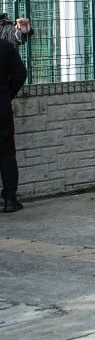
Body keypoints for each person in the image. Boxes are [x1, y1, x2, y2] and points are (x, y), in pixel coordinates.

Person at [0, 23, 28, 212]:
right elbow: (20, 74)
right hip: (1, 108)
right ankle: (10, 199)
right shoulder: (5, 47)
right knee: (6, 153)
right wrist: (6, 94)